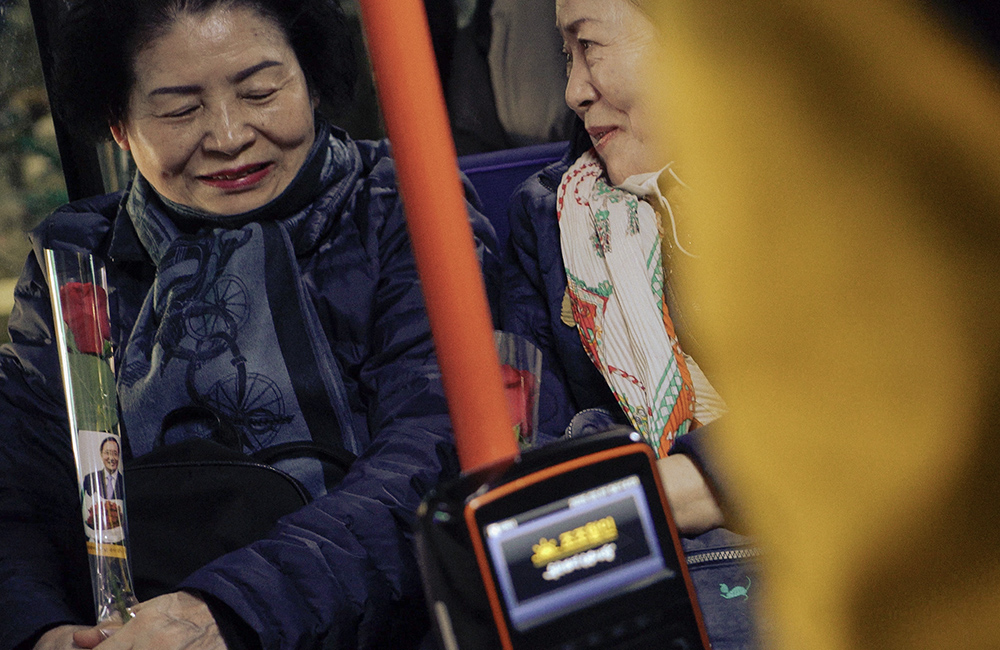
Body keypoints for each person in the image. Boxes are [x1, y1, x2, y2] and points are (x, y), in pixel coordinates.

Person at [0, 0, 498, 649]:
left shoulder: (404, 210)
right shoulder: (76, 264)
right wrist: (42, 630)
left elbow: (434, 454)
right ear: (119, 124)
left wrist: (225, 613)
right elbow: (22, 490)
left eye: (260, 93)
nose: (230, 136)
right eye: (180, 110)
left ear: (311, 82)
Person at [499, 0, 759, 646]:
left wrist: (679, 483)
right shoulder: (552, 216)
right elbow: (531, 453)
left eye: (589, 46)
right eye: (565, 55)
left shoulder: (838, 180)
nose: (574, 91)